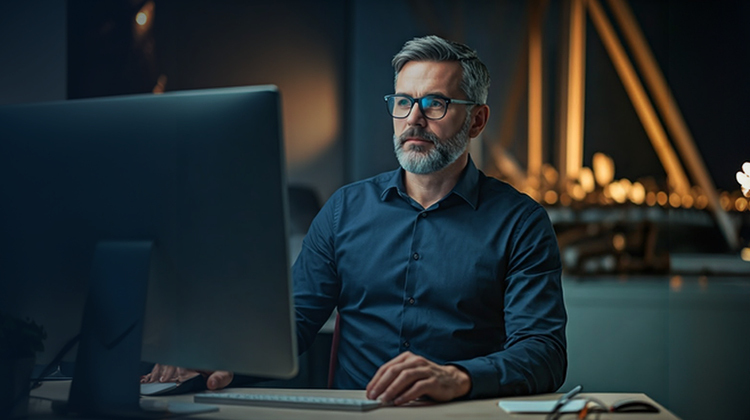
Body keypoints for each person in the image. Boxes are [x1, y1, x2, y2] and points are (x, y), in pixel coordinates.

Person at [143, 35, 567, 404]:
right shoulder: (345, 210)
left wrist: (459, 379)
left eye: (435, 103)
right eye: (403, 102)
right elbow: (293, 324)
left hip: (461, 412)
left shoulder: (521, 223)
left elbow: (544, 352)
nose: (413, 119)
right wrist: (220, 358)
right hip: (353, 413)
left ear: (477, 119)